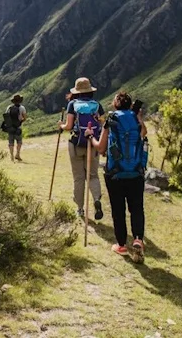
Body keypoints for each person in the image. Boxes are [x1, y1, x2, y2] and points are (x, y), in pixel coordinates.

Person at [87, 91, 148, 261]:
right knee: (137, 208)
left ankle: (121, 245)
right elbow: (144, 134)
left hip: (115, 174)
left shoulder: (111, 120)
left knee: (118, 209)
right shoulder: (136, 119)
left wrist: (91, 137)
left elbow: (100, 148)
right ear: (129, 105)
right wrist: (138, 117)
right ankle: (138, 239)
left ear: (115, 105)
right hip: (136, 172)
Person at [58, 77, 104, 220]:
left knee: (79, 178)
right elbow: (102, 125)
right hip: (93, 143)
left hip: (76, 144)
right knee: (93, 175)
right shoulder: (97, 105)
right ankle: (96, 199)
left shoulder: (73, 104)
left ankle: (80, 209)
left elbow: (69, 126)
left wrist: (61, 125)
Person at [3, 93, 27, 161]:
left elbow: (6, 117)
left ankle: (11, 156)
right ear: (20, 100)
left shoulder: (9, 107)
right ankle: (17, 154)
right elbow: (25, 117)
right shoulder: (22, 108)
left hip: (10, 128)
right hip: (18, 128)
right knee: (19, 141)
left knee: (11, 142)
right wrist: (20, 121)